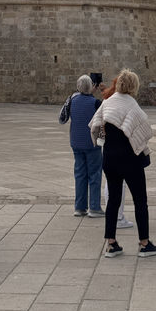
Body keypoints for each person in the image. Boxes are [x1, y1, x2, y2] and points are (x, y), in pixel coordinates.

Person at [89, 69, 156, 258]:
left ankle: (111, 244)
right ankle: (144, 243)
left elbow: (95, 125)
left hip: (110, 157)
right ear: (134, 85)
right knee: (140, 201)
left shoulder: (107, 102)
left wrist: (102, 140)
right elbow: (144, 132)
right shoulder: (133, 106)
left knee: (113, 200)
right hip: (130, 159)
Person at [59, 74, 104, 218]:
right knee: (94, 175)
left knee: (80, 174)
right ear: (91, 87)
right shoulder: (96, 103)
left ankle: (79, 207)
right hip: (92, 143)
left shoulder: (72, 100)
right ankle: (95, 208)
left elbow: (62, 119)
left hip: (76, 142)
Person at [99, 78, 133, 229]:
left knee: (110, 183)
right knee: (121, 185)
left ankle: (112, 216)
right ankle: (118, 217)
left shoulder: (107, 98)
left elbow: (98, 121)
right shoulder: (127, 102)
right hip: (120, 147)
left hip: (107, 146)